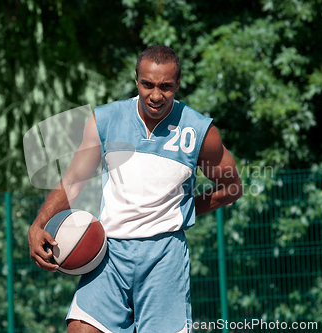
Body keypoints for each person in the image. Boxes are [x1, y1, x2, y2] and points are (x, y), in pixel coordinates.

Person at [28, 45, 242, 333]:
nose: (156, 95)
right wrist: (38, 224)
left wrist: (184, 208)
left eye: (166, 86)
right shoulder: (105, 120)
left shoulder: (199, 131)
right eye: (147, 85)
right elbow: (75, 179)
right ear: (136, 80)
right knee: (80, 329)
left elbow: (231, 188)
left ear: (178, 83)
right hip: (109, 255)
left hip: (164, 258)